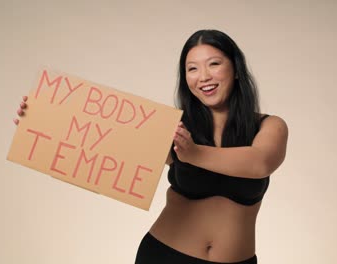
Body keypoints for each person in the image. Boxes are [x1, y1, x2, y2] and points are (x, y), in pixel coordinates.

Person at [14, 29, 288, 264]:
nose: (203, 76)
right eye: (192, 69)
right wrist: (41, 120)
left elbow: (259, 162)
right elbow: (105, 146)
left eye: (214, 64)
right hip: (164, 255)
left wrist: (193, 153)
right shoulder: (175, 127)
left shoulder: (269, 127)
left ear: (236, 69)